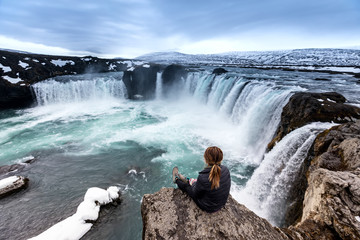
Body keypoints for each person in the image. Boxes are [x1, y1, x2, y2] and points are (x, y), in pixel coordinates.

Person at [173, 146, 231, 213]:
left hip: (209, 207)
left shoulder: (203, 177)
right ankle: (188, 180)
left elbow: (195, 193)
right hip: (221, 204)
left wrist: (193, 183)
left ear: (206, 159)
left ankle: (176, 179)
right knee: (200, 184)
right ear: (221, 158)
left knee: (187, 187)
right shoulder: (226, 170)